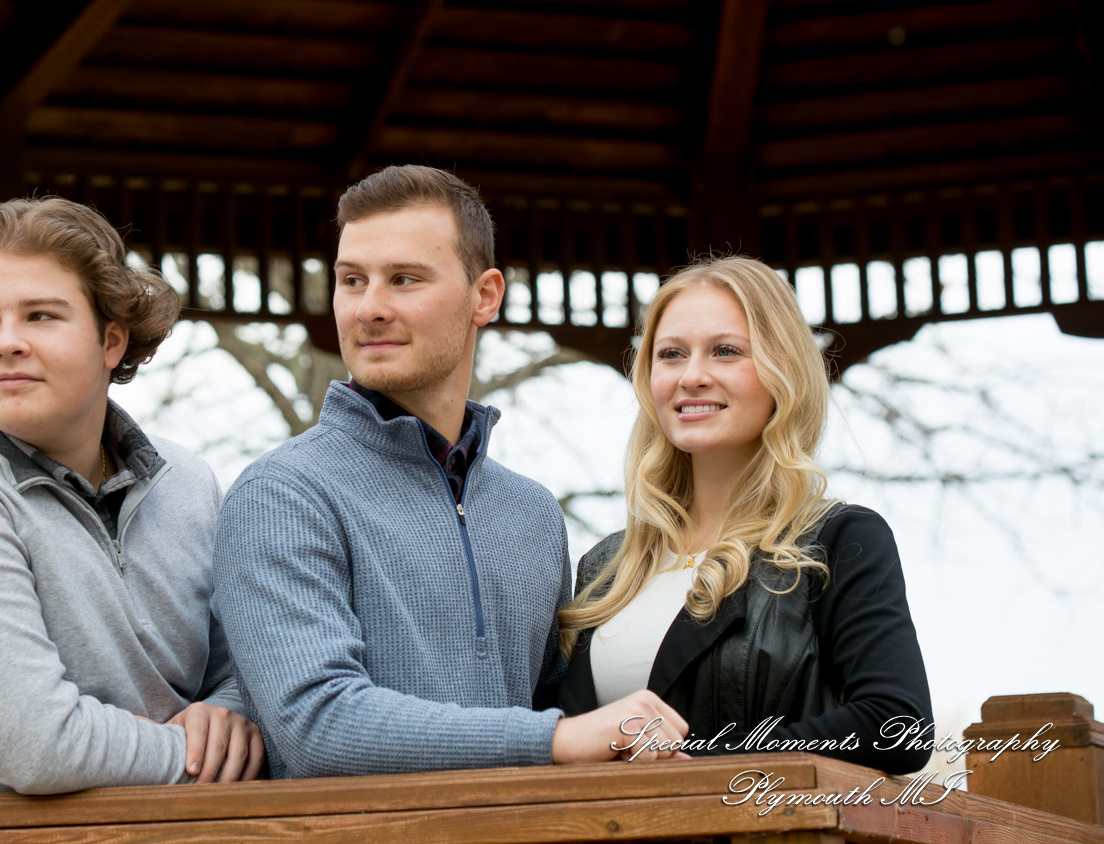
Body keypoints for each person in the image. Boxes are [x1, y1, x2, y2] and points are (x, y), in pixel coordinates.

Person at [213, 165, 687, 779]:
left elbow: (556, 710)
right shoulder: (281, 495)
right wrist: (556, 739)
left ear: (484, 297)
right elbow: (317, 727)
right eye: (351, 281)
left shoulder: (533, 514)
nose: (369, 309)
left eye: (404, 279)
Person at [0, 197, 262, 795]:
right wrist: (202, 755)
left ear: (111, 342)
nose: (5, 342)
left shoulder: (189, 484)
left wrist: (228, 717)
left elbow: (252, 670)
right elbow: (42, 746)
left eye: (40, 315)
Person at [556, 256, 933, 773]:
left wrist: (691, 759)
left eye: (725, 351)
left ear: (784, 372)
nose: (692, 376)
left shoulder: (839, 541)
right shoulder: (605, 568)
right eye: (670, 354)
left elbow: (899, 729)